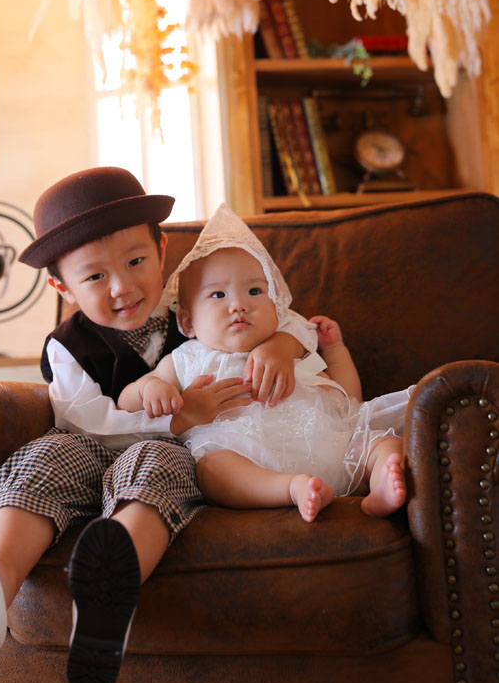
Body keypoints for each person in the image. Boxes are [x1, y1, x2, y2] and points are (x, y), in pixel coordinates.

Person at [0, 169, 315, 683]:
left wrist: (280, 345)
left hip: (176, 450)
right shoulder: (66, 345)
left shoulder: (203, 298)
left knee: (154, 468)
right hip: (92, 443)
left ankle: (107, 592)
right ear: (62, 287)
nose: (122, 286)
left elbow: (288, 318)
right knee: (44, 457)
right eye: (96, 277)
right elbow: (82, 416)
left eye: (135, 262)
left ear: (162, 251)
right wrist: (176, 414)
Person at [118, 203, 410, 524]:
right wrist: (150, 389)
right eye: (218, 295)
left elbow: (346, 397)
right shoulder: (186, 358)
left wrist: (335, 350)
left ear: (277, 305)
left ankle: (382, 477)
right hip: (247, 456)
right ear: (188, 322)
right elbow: (125, 404)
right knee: (213, 469)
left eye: (255, 291)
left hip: (333, 443)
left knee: (382, 440)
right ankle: (292, 488)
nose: (239, 305)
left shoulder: (289, 344)